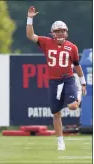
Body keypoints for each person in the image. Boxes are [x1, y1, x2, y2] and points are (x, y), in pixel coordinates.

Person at [26, 6, 87, 151]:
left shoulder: (72, 47)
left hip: (68, 79)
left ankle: (77, 93)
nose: (60, 33)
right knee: (56, 112)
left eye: (62, 31)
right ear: (52, 33)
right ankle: (60, 142)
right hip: (54, 81)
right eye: (57, 31)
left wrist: (82, 82)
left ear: (66, 32)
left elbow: (77, 66)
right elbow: (30, 35)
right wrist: (30, 18)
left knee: (73, 106)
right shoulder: (47, 42)